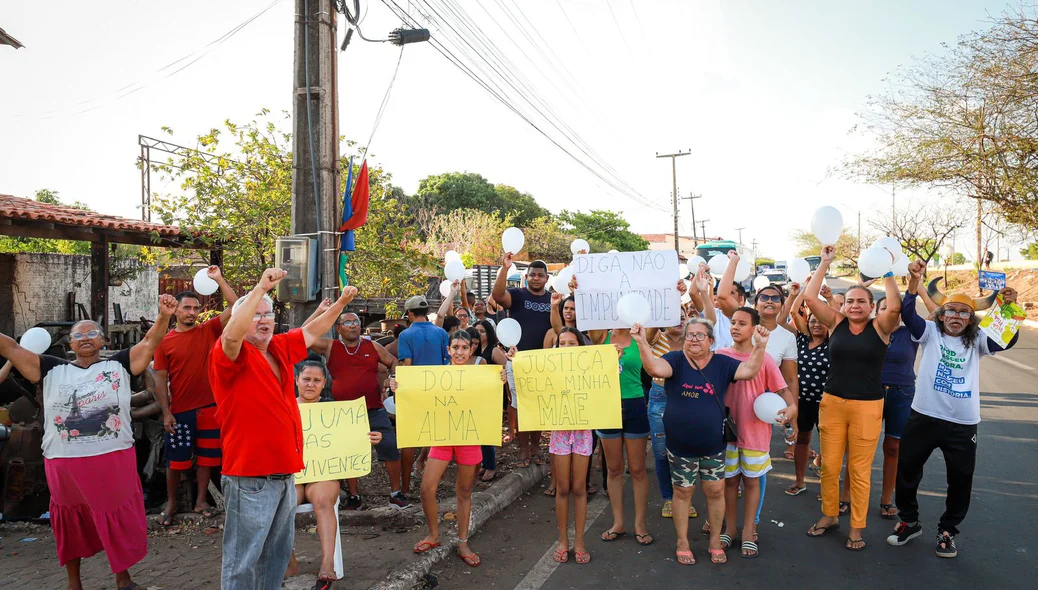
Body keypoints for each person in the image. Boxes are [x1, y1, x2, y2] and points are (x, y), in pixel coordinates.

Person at [0, 295, 179, 590]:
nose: (85, 338)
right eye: (78, 335)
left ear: (104, 340)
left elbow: (149, 343)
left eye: (92, 332)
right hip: (63, 463)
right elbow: (10, 347)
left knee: (117, 518)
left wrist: (163, 316)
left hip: (112, 459)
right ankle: (74, 583)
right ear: (70, 344)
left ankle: (123, 578)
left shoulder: (121, 364)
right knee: (70, 522)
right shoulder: (48, 368)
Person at [209, 268, 357, 589]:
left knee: (274, 558)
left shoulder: (277, 348)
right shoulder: (229, 354)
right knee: (243, 561)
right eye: (255, 314)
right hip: (250, 478)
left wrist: (340, 304)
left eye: (269, 314)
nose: (264, 319)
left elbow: (312, 331)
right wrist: (260, 288)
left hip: (285, 476)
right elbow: (232, 334)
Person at [887, 263, 1019, 558]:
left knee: (960, 479)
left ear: (971, 319)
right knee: (907, 471)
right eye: (951, 311)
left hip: (962, 424)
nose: (956, 317)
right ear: (941, 314)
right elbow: (908, 313)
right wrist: (915, 281)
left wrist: (1010, 306)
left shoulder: (979, 340)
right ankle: (909, 521)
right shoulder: (931, 334)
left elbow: (1006, 338)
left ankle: (948, 531)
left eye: (963, 312)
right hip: (923, 416)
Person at [633, 317, 770, 566]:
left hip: (713, 444)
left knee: (715, 491)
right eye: (690, 335)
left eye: (700, 335)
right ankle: (682, 542)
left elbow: (749, 371)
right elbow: (654, 369)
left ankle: (716, 541)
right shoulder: (675, 359)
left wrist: (760, 346)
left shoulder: (722, 363)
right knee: (683, 491)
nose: (694, 339)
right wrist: (642, 342)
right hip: (680, 444)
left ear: (711, 340)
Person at [803, 245, 902, 552]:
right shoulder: (835, 323)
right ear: (842, 305)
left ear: (872, 307)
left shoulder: (881, 327)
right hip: (832, 404)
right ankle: (830, 516)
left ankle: (856, 528)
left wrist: (886, 271)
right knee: (830, 467)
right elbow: (808, 298)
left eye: (861, 301)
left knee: (858, 471)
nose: (855, 305)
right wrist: (825, 263)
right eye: (850, 301)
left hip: (867, 407)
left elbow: (896, 307)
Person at [391, 330, 499, 567]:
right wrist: (397, 387)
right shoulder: (434, 375)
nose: (459, 352)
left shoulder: (482, 375)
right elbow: (409, 400)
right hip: (442, 438)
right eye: (455, 348)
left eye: (464, 347)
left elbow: (493, 398)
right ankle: (434, 535)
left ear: (471, 349)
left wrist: (500, 380)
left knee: (465, 492)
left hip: (469, 438)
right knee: (427, 488)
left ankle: (462, 541)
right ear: (448, 350)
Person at [288, 353, 383, 589]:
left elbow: (352, 437)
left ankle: (327, 562)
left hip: (324, 473)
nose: (311, 384)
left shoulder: (335, 410)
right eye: (306, 379)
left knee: (322, 500)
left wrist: (371, 438)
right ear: (297, 380)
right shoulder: (284, 408)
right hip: (293, 474)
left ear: (324, 383)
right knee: (283, 502)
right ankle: (289, 561)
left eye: (317, 380)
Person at [153, 266, 238, 526]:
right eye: (186, 308)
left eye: (195, 308)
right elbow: (159, 378)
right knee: (176, 460)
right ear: (176, 310)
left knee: (208, 459)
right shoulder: (164, 341)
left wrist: (219, 279)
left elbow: (237, 306)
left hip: (212, 408)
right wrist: (166, 412)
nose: (191, 312)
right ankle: (172, 503)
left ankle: (201, 501)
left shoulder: (208, 331)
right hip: (181, 411)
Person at [305, 306, 408, 509]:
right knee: (348, 453)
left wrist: (393, 378)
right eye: (347, 323)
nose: (353, 326)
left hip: (373, 409)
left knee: (389, 446)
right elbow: (305, 334)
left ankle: (396, 493)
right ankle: (354, 497)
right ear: (338, 328)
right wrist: (321, 311)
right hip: (343, 412)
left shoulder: (373, 347)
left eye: (356, 322)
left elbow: (393, 361)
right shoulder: (329, 346)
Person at [718, 307, 796, 558]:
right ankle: (729, 528)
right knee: (729, 482)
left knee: (752, 483)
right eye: (733, 322)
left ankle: (749, 530)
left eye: (742, 323)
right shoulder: (720, 356)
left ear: (754, 329)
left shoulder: (764, 359)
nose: (735, 327)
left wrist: (792, 407)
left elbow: (783, 390)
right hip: (727, 433)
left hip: (755, 434)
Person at [492, 254, 553, 467]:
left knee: (538, 408)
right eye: (533, 275)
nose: (536, 278)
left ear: (547, 279)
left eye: (540, 275)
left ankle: (537, 448)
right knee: (521, 407)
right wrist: (504, 268)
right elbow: (498, 295)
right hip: (517, 359)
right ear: (526, 277)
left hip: (544, 362)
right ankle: (524, 450)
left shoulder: (553, 299)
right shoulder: (518, 295)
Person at [544, 327, 594, 564]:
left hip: (583, 430)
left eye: (571, 343)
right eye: (561, 343)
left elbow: (608, 378)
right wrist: (515, 360)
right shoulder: (550, 369)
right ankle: (563, 540)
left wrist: (613, 359)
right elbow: (531, 380)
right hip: (560, 431)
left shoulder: (591, 367)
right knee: (562, 488)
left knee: (579, 487)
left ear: (579, 346)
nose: (565, 347)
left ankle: (580, 541)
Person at [874, 295, 920, 520]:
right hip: (871, 393)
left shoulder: (911, 332)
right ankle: (849, 495)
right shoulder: (869, 330)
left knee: (893, 447)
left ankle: (886, 499)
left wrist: (917, 285)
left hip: (902, 394)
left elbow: (936, 315)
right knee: (860, 446)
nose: (889, 312)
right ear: (876, 312)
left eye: (894, 309)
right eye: (884, 308)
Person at [474, 319, 508, 483]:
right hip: (478, 397)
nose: (479, 334)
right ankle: (485, 462)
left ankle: (491, 466)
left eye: (482, 331)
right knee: (479, 433)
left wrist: (501, 376)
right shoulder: (473, 351)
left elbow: (506, 366)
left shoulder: (493, 350)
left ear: (489, 333)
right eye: (477, 331)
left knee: (487, 433)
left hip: (492, 396)